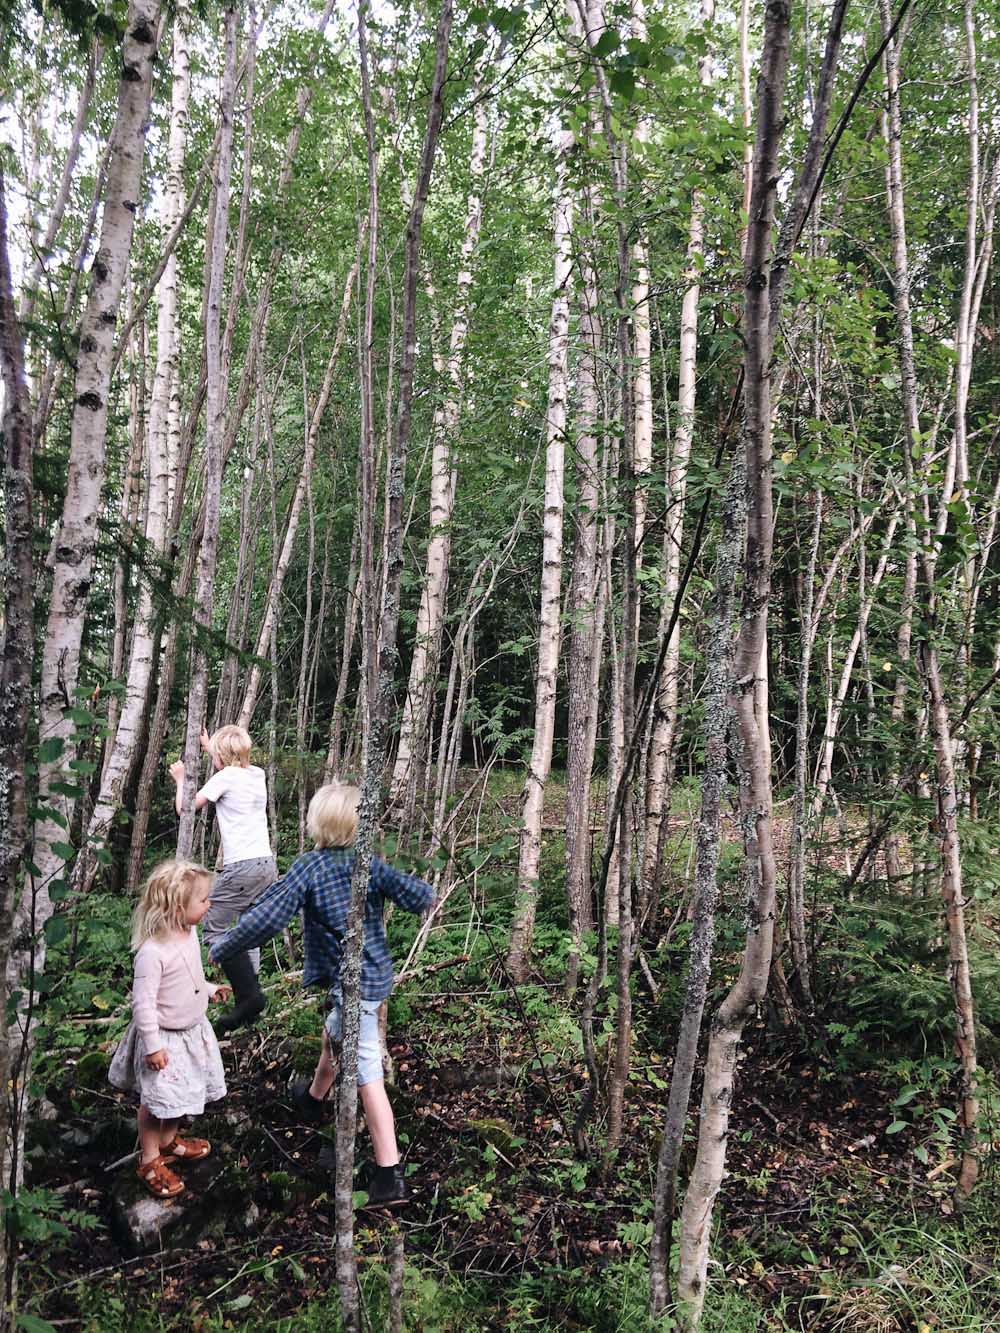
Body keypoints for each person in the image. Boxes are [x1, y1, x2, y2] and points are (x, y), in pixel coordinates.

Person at [208, 781, 435, 1207]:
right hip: (374, 977)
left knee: (367, 1074)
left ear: (319, 824)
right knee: (335, 1034)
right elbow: (416, 894)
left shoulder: (310, 867)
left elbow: (269, 918)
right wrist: (421, 892)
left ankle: (389, 1175)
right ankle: (313, 1099)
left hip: (355, 986)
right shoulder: (368, 863)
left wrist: (225, 945)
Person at [108, 859, 229, 1198]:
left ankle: (168, 1139)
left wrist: (207, 989)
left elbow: (189, 976)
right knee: (155, 1099)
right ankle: (149, 1158)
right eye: (203, 900)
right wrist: (152, 1046)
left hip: (191, 1033)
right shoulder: (152, 952)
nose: (210, 905)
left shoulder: (188, 934)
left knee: (182, 1094)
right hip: (163, 1039)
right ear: (179, 906)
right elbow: (143, 1003)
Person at [168, 725, 277, 1035]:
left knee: (214, 927)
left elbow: (185, 809)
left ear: (222, 756)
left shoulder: (225, 777)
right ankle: (251, 1002)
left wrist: (180, 780)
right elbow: (231, 767)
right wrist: (209, 748)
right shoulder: (256, 774)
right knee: (249, 930)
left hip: (241, 866)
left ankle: (249, 996)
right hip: (265, 864)